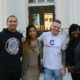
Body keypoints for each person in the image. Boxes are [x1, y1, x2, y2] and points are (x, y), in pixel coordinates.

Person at [0, 15, 23, 80]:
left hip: (16, 69)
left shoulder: (20, 36)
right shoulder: (1, 35)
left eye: (15, 21)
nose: (13, 23)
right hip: (4, 70)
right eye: (10, 21)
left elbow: (21, 52)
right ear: (7, 23)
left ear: (17, 23)